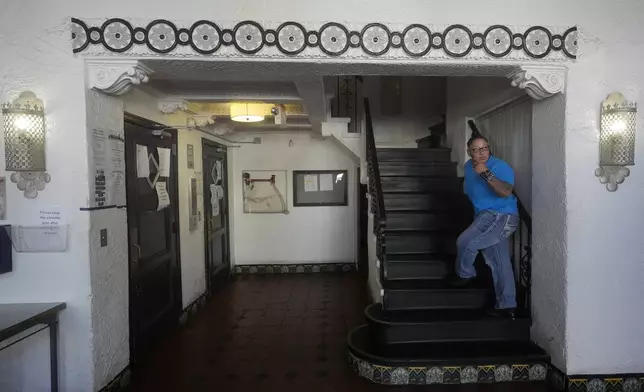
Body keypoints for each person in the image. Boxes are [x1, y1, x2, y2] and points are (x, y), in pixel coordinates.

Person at [450, 131, 519, 318]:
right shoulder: (467, 167)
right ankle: (507, 305)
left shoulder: (499, 166)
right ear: (469, 152)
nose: (481, 153)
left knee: (466, 242)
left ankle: (465, 274)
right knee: (498, 261)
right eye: (476, 149)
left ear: (489, 149)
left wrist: (486, 173)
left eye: (485, 148)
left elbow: (505, 191)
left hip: (501, 216)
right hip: (484, 217)